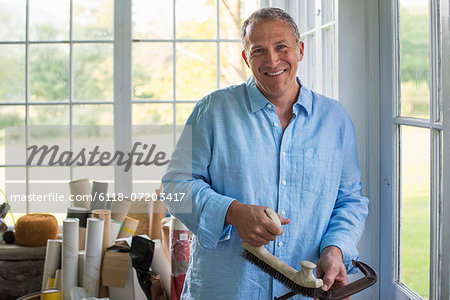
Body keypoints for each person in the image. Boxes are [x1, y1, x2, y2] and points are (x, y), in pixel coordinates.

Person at [162, 7, 369, 300]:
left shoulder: (335, 119)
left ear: (300, 50)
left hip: (306, 293)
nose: (272, 60)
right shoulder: (213, 111)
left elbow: (349, 199)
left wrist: (335, 248)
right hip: (224, 291)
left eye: (281, 46)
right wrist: (232, 212)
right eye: (259, 50)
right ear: (247, 58)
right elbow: (174, 188)